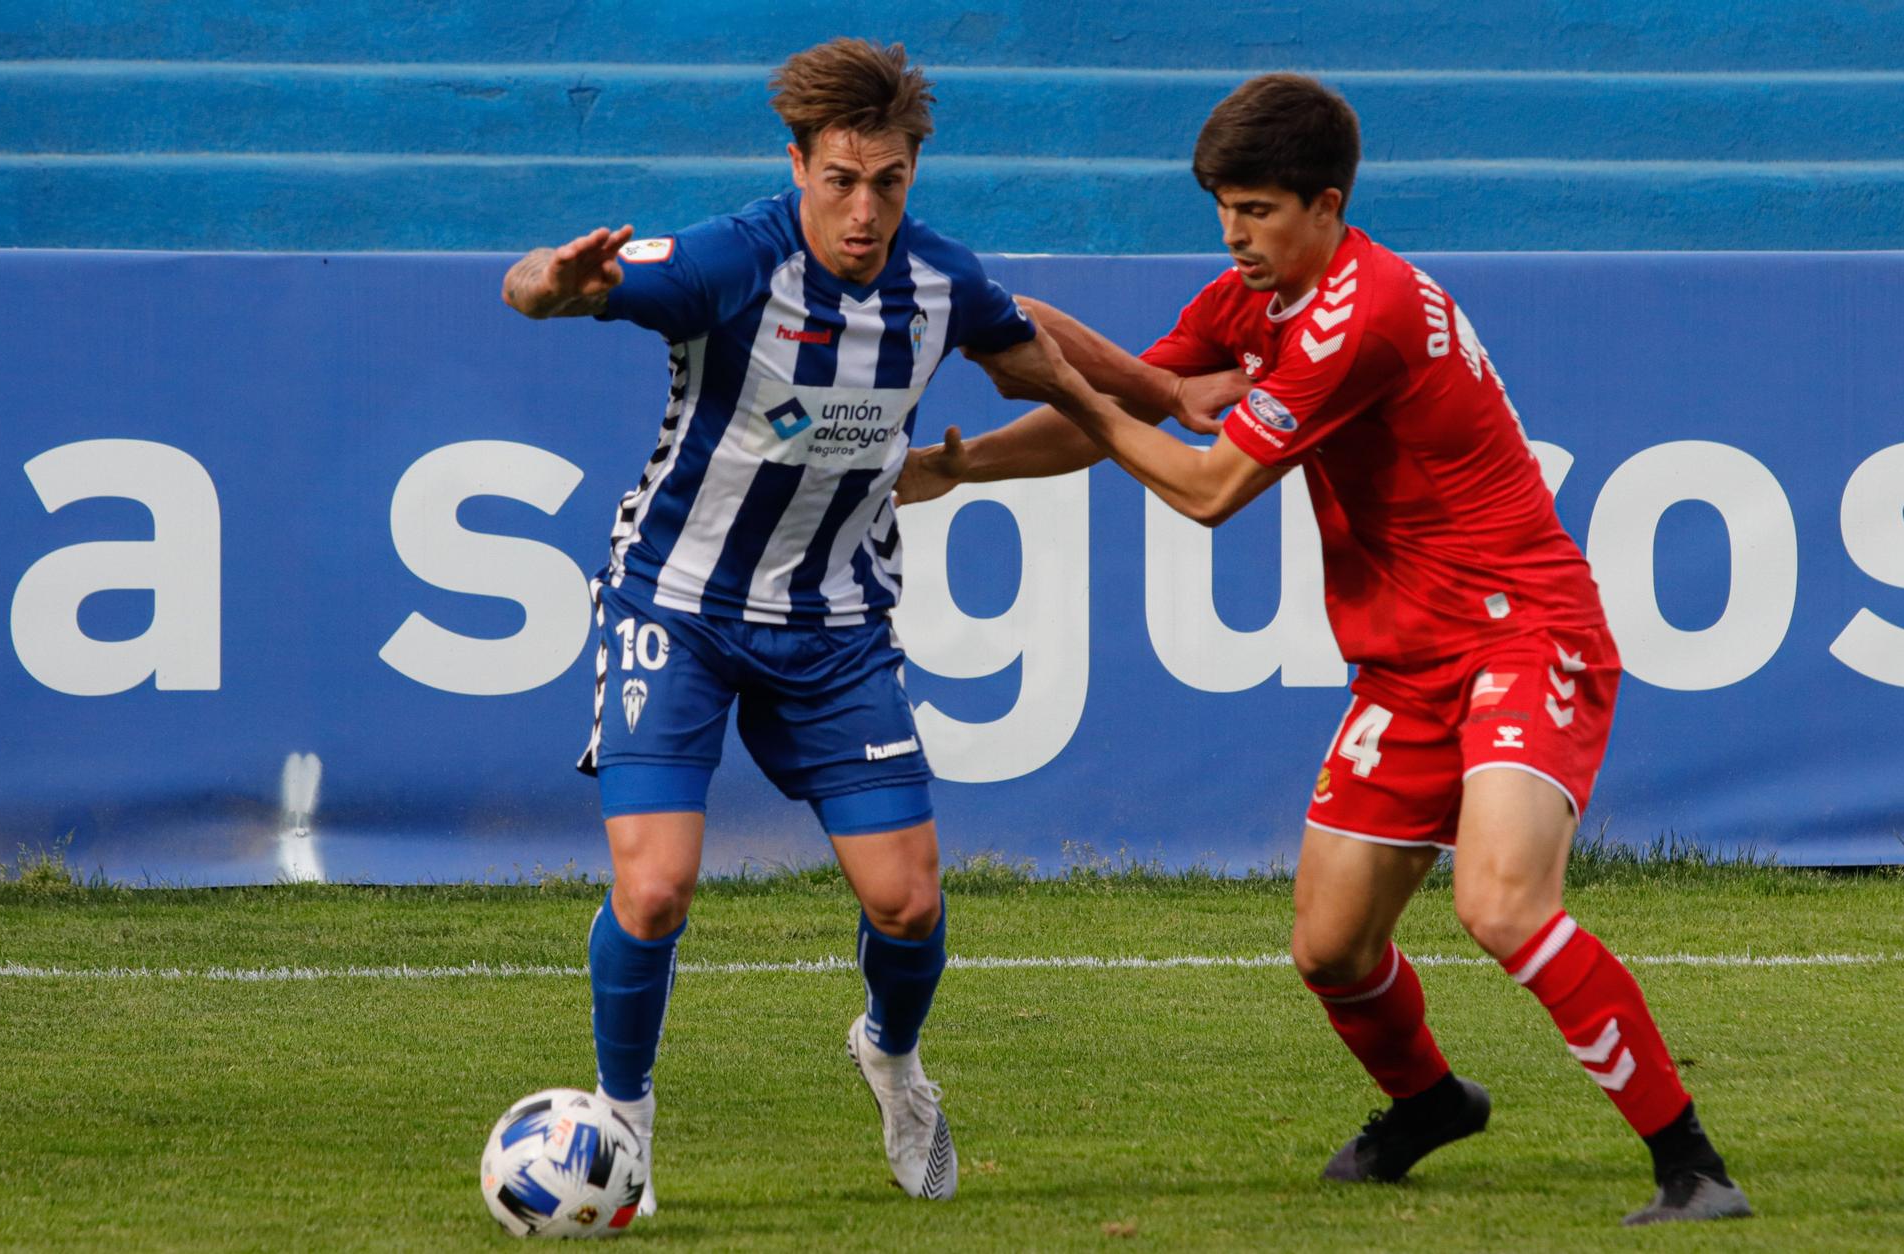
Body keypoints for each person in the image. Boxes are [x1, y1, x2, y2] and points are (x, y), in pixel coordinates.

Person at [902, 73, 1750, 1227]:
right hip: (1406, 663)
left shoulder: (1366, 312)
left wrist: (1076, 387)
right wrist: (959, 469)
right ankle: (1431, 1101)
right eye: (1222, 209)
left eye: (1254, 211)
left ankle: (1690, 1164)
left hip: (1521, 632)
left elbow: (1204, 488)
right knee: (1330, 947)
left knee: (1500, 907)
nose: (1232, 235)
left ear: (1326, 204)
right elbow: (1146, 401)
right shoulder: (1257, 299)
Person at [500, 38, 1227, 1208]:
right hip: (676, 607)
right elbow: (535, 285)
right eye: (838, 178)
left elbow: (1037, 351)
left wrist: (1159, 396)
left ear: (909, 176)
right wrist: (557, 282)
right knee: (654, 891)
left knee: (908, 900)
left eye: (887, 182)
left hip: (835, 623)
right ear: (796, 166)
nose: (862, 207)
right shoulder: (727, 263)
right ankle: (621, 1129)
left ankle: (889, 1052)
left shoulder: (937, 283)